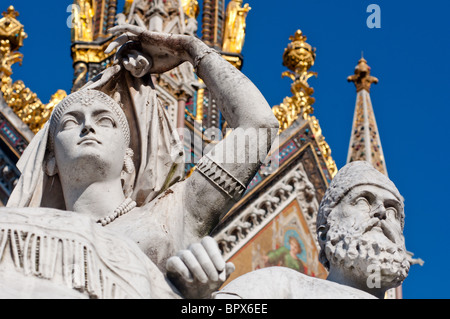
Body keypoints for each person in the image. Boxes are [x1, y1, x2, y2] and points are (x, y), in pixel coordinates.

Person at [3, 24, 277, 297]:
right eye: (70, 122)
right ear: (49, 160)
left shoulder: (170, 215)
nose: (87, 127)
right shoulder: (23, 234)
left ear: (127, 158)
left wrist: (189, 49)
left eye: (105, 120)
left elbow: (259, 127)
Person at [212, 161, 413, 299]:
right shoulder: (277, 286)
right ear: (325, 233)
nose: (381, 212)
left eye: (392, 210)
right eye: (363, 201)